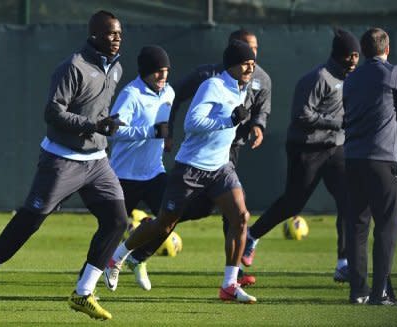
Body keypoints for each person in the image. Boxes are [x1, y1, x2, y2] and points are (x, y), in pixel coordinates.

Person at [0, 10, 127, 320]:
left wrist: (106, 126)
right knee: (30, 221)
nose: (117, 37)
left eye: (119, 32)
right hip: (61, 160)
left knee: (117, 220)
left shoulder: (116, 68)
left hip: (97, 161)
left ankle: (83, 293)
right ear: (94, 35)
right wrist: (93, 125)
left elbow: (99, 112)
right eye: (110, 33)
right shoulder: (73, 66)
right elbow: (53, 113)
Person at [107, 29, 271, 290]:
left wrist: (250, 124)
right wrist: (229, 120)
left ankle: (229, 284)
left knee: (241, 216)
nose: (252, 67)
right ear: (232, 65)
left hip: (220, 167)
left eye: (253, 62)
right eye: (246, 62)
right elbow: (192, 123)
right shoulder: (213, 85)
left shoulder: (242, 87)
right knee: (164, 223)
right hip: (190, 168)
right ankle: (117, 257)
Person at [241, 28, 361, 283]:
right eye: (351, 56)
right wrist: (337, 122)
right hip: (306, 148)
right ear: (340, 55)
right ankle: (252, 235)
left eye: (357, 56)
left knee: (349, 200)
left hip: (335, 148)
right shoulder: (319, 77)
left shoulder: (352, 77)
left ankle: (344, 263)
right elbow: (301, 115)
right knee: (293, 204)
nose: (354, 61)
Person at [343, 27, 397, 305]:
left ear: (363, 51)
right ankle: (380, 293)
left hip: (352, 159)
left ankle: (358, 291)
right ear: (386, 49)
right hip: (382, 160)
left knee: (357, 227)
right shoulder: (394, 72)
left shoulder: (351, 79)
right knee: (387, 227)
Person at [106, 45, 174, 291]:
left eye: (165, 70)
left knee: (170, 219)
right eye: (157, 71)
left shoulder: (169, 92)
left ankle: (137, 258)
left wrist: (166, 137)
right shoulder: (130, 94)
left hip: (155, 172)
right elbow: (113, 131)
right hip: (124, 176)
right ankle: (86, 285)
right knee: (112, 231)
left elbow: (164, 121)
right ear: (145, 71)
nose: (162, 76)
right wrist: (151, 132)